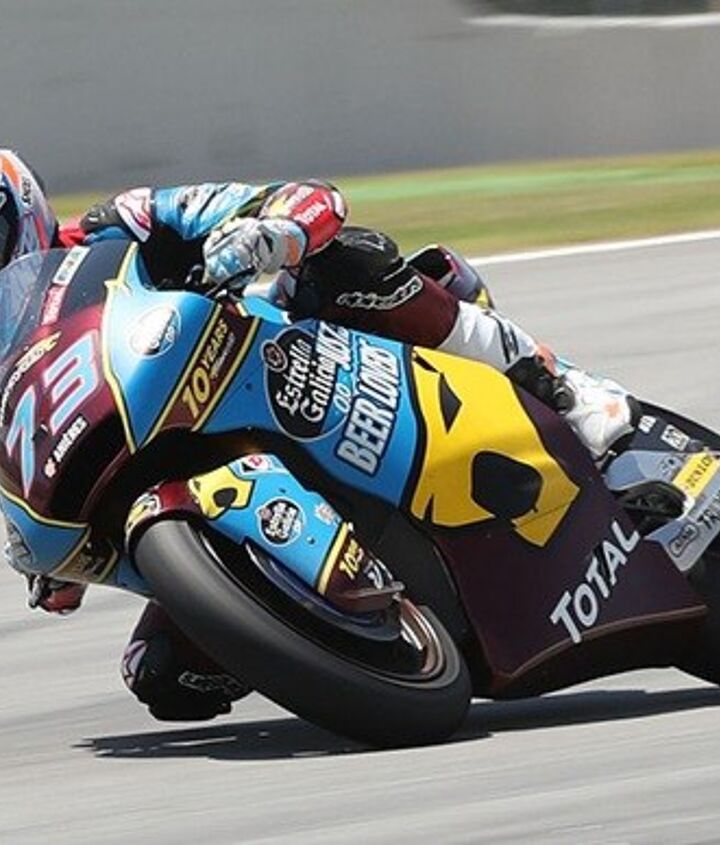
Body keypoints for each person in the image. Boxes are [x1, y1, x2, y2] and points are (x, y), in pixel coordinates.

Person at [0, 149, 638, 720]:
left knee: (348, 263)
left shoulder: (123, 224)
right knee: (165, 677)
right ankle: (339, 638)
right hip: (178, 469)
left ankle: (569, 394)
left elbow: (306, 198)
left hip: (292, 362)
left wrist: (273, 232)